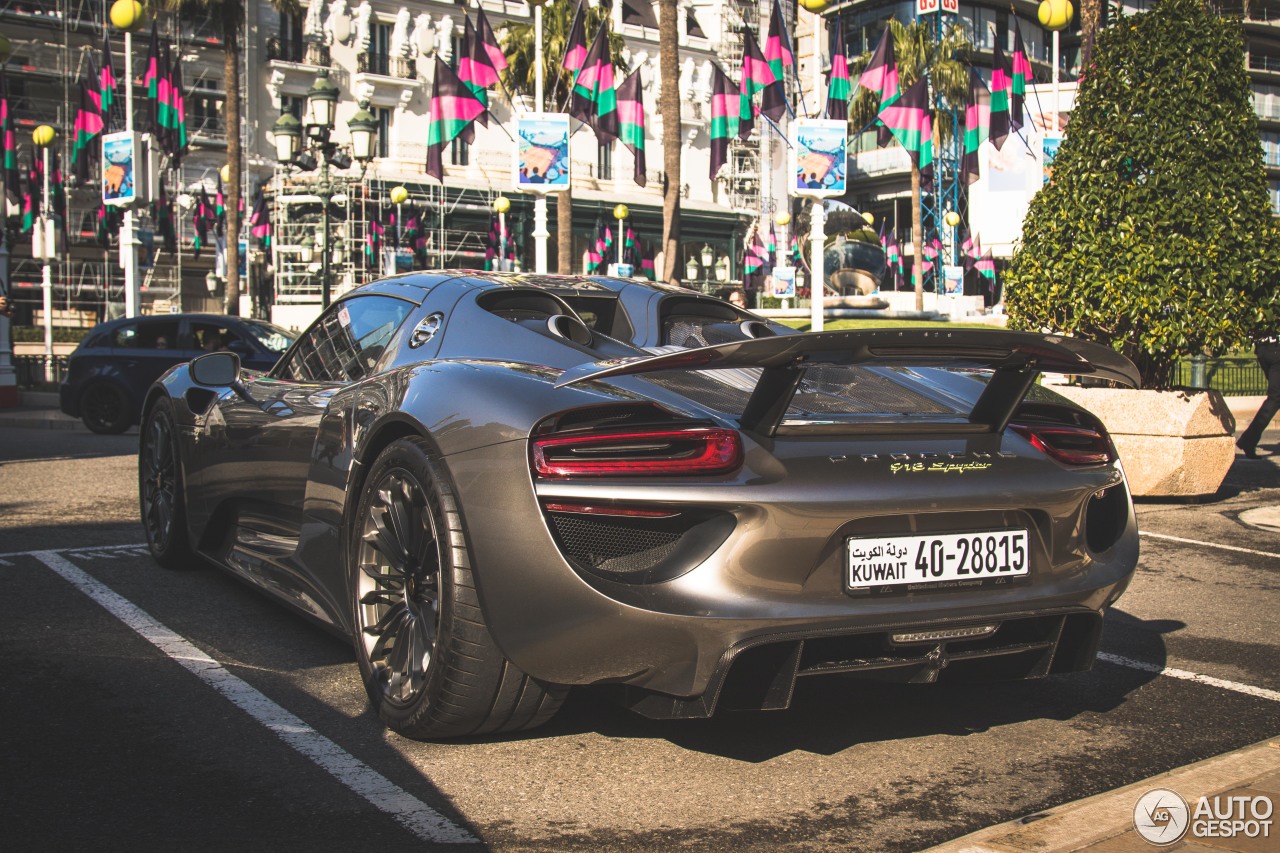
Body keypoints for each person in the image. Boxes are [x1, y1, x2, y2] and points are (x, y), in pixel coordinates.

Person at [1237, 334, 1280, 458]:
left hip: (1263, 349)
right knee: (1275, 398)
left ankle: (1248, 440)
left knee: (1275, 398)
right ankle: (1248, 440)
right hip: (1276, 349)